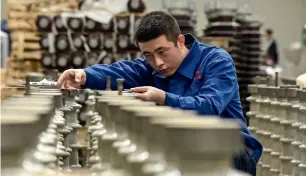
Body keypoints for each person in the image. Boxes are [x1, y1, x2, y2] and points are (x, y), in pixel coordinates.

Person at [57, 11, 262, 175]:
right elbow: (123, 69)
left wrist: (163, 98)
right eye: (148, 55)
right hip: (184, 147)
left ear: (180, 41)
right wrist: (83, 75)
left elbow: (209, 107)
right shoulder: (153, 67)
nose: (158, 62)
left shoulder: (216, 61)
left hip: (232, 152)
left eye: (162, 52)